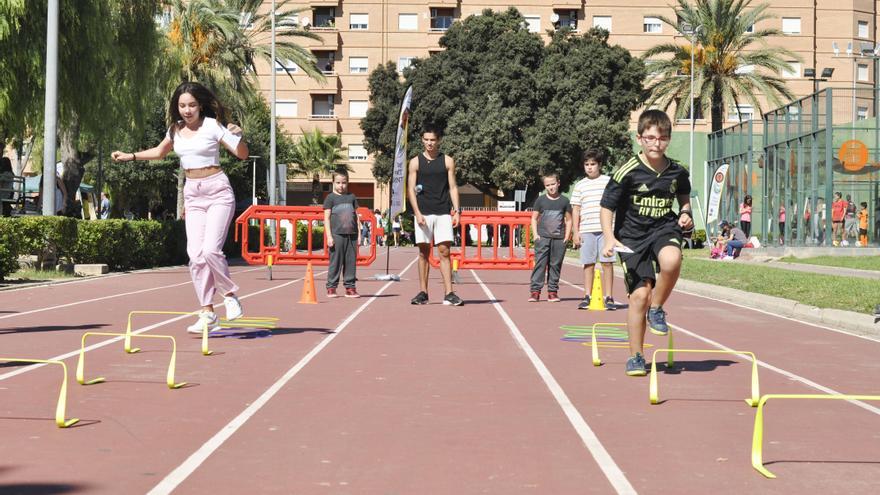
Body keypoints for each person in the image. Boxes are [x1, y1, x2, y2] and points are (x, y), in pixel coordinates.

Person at [111, 81, 248, 333]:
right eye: (182, 105)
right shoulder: (174, 130)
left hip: (217, 190)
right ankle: (207, 312)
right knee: (195, 256)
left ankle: (229, 295)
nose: (187, 110)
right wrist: (130, 156)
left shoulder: (212, 125)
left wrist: (236, 135)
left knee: (210, 251)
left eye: (192, 105)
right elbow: (160, 152)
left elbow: (242, 154)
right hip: (193, 194)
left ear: (200, 106)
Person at [600, 109, 694, 376]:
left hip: (664, 228)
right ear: (639, 138)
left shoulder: (677, 172)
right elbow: (606, 208)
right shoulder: (626, 172)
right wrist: (609, 237)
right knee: (639, 295)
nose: (657, 143)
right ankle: (636, 355)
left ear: (669, 139)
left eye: (662, 138)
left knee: (672, 259)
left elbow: (684, 199)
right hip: (631, 238)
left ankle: (657, 308)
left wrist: (686, 213)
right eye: (651, 138)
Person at [407, 126, 463, 306]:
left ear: (438, 140)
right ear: (422, 140)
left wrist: (457, 211)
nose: (429, 143)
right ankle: (423, 292)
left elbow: (453, 187)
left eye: (433, 140)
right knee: (423, 253)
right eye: (426, 139)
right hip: (423, 213)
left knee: (444, 252)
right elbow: (410, 189)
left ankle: (449, 293)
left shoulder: (447, 161)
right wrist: (416, 212)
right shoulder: (415, 162)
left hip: (443, 212)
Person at [570, 149, 618, 310]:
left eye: (593, 164)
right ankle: (587, 296)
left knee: (607, 263)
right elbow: (576, 209)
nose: (590, 167)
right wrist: (575, 232)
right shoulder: (580, 185)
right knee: (588, 263)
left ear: (600, 165)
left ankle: (609, 297)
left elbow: (615, 205)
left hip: (606, 231)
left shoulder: (608, 182)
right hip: (586, 230)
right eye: (587, 164)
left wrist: (613, 231)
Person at [528, 173, 572, 302]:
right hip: (543, 238)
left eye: (553, 184)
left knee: (555, 265)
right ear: (544, 186)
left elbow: (569, 220)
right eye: (548, 185)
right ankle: (535, 291)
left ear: (558, 183)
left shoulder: (564, 200)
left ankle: (552, 292)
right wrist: (536, 235)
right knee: (540, 265)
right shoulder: (540, 200)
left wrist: (567, 236)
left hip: (559, 238)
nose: (551, 187)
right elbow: (534, 218)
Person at [323, 169, 361, 298]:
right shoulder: (330, 198)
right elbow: (326, 218)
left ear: (348, 182)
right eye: (338, 182)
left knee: (350, 262)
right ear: (333, 182)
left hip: (352, 235)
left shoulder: (352, 197)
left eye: (344, 182)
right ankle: (331, 287)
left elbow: (356, 216)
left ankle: (350, 287)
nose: (341, 185)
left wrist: (359, 235)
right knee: (336, 261)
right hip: (336, 235)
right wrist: (329, 236)